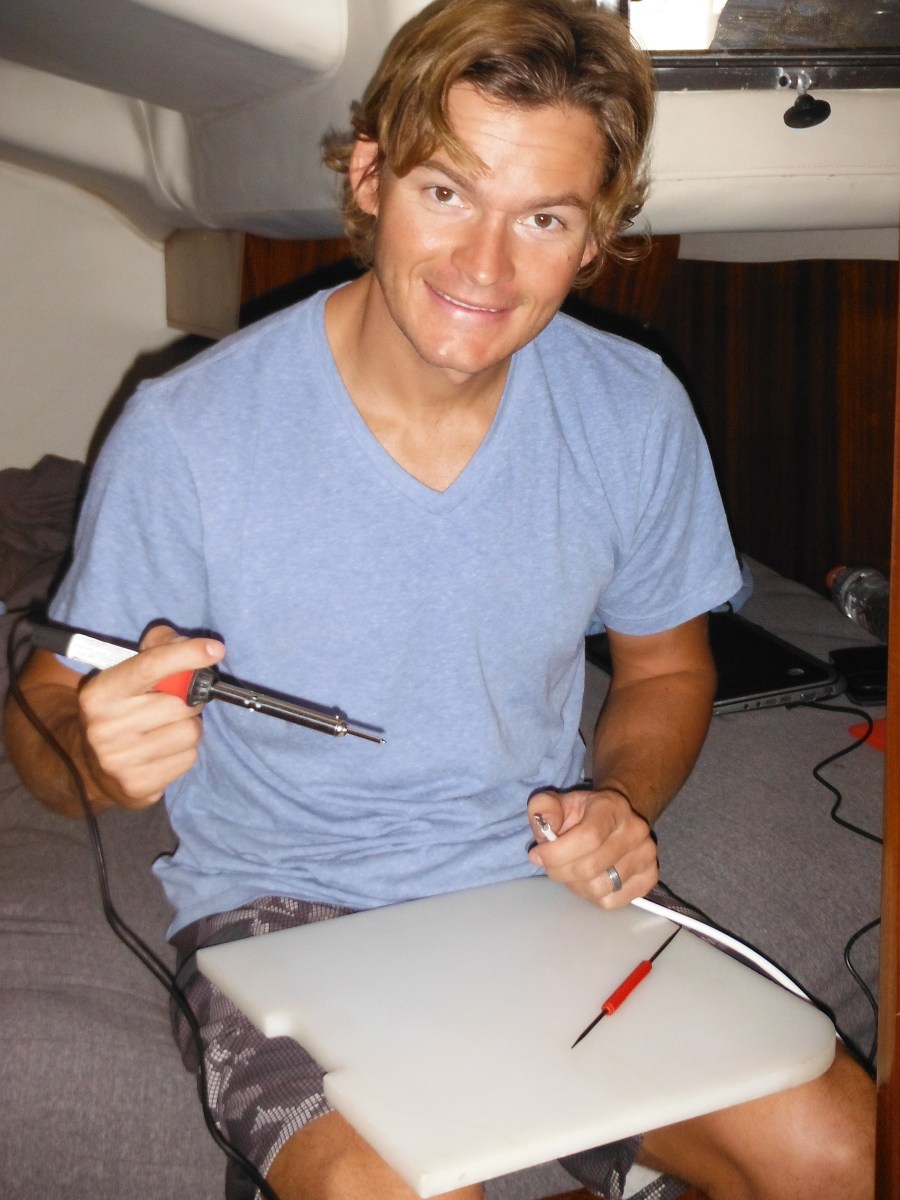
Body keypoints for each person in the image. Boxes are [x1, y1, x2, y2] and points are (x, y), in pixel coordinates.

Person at [3, 1, 874, 1198]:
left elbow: (669, 669)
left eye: (545, 217)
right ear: (370, 178)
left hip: (535, 881)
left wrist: (618, 801)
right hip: (278, 915)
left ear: (597, 235)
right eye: (448, 192)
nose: (485, 267)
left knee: (845, 1148)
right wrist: (95, 754)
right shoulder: (188, 432)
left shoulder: (634, 410)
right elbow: (47, 713)